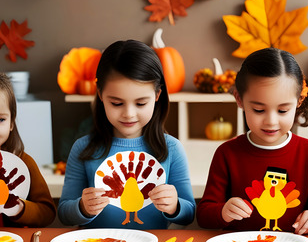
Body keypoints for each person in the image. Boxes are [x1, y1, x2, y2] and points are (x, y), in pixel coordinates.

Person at [197, 47, 308, 234]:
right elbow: (204, 214)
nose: (271, 121)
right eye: (258, 110)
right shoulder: (227, 153)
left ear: (299, 101)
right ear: (239, 99)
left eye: (282, 111)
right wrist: (223, 211)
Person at [58, 40, 195, 229]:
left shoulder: (171, 148)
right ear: (100, 94)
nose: (129, 114)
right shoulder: (83, 148)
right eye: (116, 103)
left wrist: (175, 206)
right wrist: (82, 208)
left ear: (157, 96)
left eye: (140, 104)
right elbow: (64, 213)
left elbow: (189, 213)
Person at [0, 73, 55, 228]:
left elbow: (47, 212)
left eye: (0, 120)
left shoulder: (23, 162)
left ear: (11, 122)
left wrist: (20, 208)